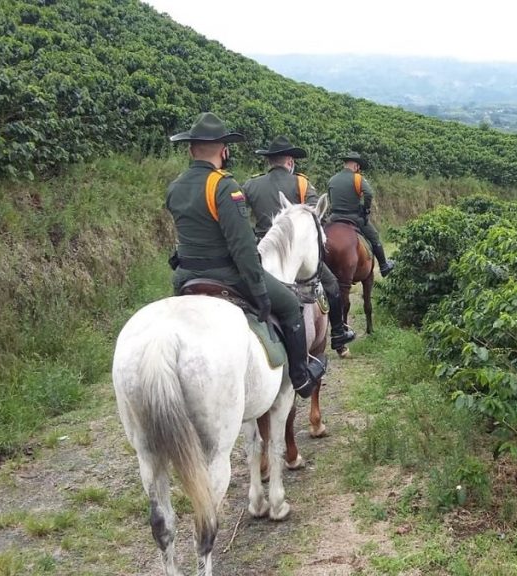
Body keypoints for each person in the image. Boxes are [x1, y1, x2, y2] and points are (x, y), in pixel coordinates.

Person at [165, 112, 325, 398]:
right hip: (226, 274)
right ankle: (301, 377)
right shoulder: (224, 186)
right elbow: (242, 248)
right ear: (224, 151)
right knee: (289, 304)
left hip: (185, 276)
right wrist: (260, 292)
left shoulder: (175, 186)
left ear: (190, 149)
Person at [243, 135, 356, 351]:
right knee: (332, 285)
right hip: (295, 251)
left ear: (269, 161)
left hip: (262, 251)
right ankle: (339, 333)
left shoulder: (251, 184)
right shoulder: (301, 183)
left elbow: (238, 216)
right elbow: (316, 217)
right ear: (290, 162)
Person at [326, 151, 395, 276]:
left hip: (334, 218)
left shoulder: (332, 179)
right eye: (358, 167)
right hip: (354, 217)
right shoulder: (357, 178)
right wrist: (366, 208)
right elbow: (369, 193)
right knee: (374, 236)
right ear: (356, 166)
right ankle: (384, 266)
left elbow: (330, 198)